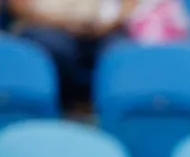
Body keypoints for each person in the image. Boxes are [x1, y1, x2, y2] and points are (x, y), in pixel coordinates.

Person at [9, 0, 139, 108]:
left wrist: (107, 24)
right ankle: (62, 109)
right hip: (45, 24)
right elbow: (20, 7)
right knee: (56, 48)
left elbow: (129, 5)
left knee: (121, 52)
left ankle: (114, 114)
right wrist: (64, 23)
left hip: (102, 27)